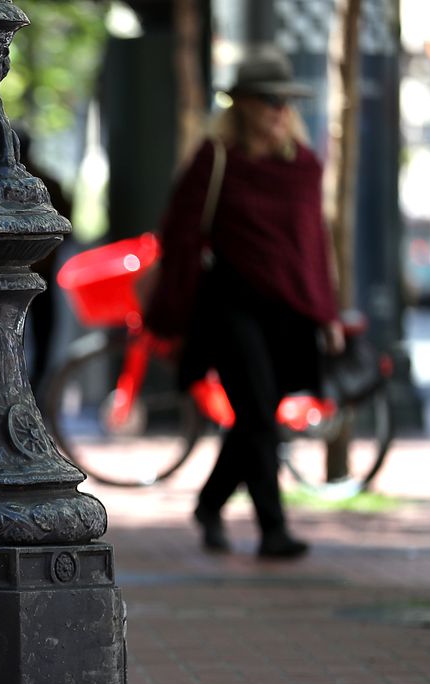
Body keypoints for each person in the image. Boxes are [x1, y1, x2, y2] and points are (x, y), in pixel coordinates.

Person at [145, 48, 344, 560]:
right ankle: (273, 530)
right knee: (255, 411)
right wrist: (176, 309)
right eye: (267, 100)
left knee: (258, 417)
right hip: (229, 307)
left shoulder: (303, 167)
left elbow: (314, 247)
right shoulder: (215, 159)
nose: (278, 110)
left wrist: (328, 312)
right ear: (242, 105)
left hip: (288, 311)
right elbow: (180, 235)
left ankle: (210, 504)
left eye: (285, 101)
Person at [18, 130, 74, 395]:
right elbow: (67, 229)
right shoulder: (48, 183)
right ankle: (38, 391)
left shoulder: (6, 187)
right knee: (43, 339)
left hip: (14, 273)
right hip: (43, 273)